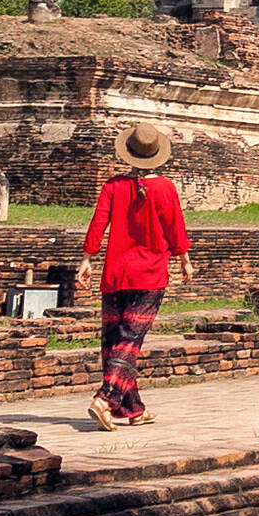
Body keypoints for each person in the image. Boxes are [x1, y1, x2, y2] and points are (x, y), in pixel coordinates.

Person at [81, 127, 189, 426]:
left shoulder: (113, 186)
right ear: (157, 156)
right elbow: (175, 227)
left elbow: (98, 223)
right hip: (149, 273)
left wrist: (87, 259)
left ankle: (132, 409)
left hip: (116, 271)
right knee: (129, 341)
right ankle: (104, 398)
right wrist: (184, 259)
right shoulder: (165, 188)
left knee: (114, 340)